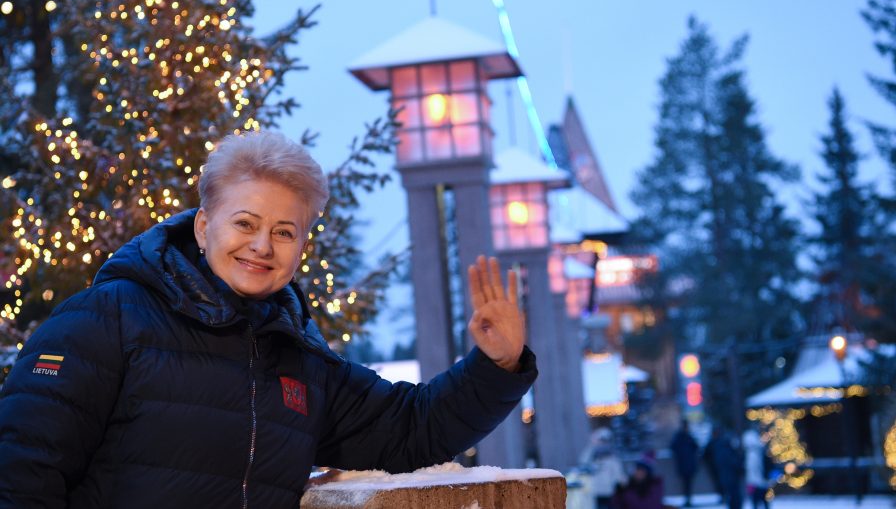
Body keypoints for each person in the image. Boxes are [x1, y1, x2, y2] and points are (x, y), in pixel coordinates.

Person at [0, 130, 537, 508]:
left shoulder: (298, 359)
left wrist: (499, 362)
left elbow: (411, 429)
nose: (262, 245)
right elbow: (20, 470)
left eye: (284, 231)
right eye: (245, 223)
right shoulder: (107, 320)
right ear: (205, 225)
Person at [669, 418, 699, 507]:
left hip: (688, 465)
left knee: (688, 484)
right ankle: (687, 499)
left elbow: (695, 447)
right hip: (685, 464)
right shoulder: (681, 437)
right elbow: (673, 447)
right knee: (686, 484)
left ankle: (688, 499)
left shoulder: (687, 436)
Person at [742, 429, 771, 509]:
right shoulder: (760, 449)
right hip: (761, 481)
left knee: (757, 501)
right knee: (763, 501)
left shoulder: (752, 453)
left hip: (756, 482)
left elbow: (752, 469)